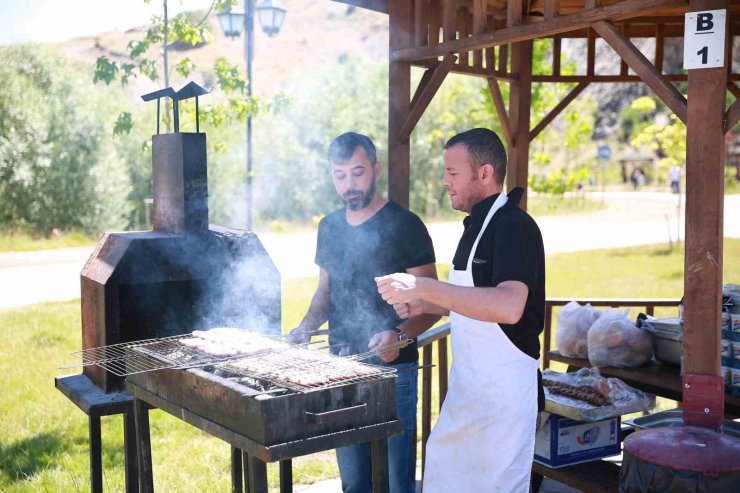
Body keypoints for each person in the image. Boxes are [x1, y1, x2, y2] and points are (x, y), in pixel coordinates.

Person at [376, 128, 545, 493]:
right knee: (444, 475)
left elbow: (509, 306)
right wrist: (417, 306)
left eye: (452, 173)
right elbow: (468, 299)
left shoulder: (515, 226)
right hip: (468, 391)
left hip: (502, 401)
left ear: (484, 173)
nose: (444, 181)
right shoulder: (476, 226)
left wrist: (423, 286)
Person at [288, 132, 440, 493]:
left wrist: (399, 337)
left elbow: (433, 305)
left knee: (396, 483)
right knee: (354, 483)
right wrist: (306, 327)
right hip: (342, 370)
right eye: (340, 176)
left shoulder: (407, 225)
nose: (349, 184)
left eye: (357, 172)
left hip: (394, 371)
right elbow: (325, 293)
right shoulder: (329, 227)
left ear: (376, 169)